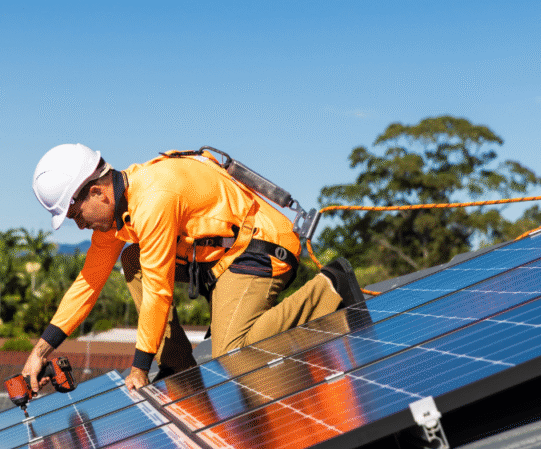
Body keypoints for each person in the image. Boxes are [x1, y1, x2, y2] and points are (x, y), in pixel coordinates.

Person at [22, 143, 363, 393]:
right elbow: (89, 282)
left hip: (260, 247)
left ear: (98, 193)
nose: (80, 225)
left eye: (76, 214)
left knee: (233, 352)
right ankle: (177, 365)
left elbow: (158, 289)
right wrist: (40, 351)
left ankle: (329, 287)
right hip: (219, 261)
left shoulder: (153, 198)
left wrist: (140, 367)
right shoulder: (118, 215)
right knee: (132, 259)